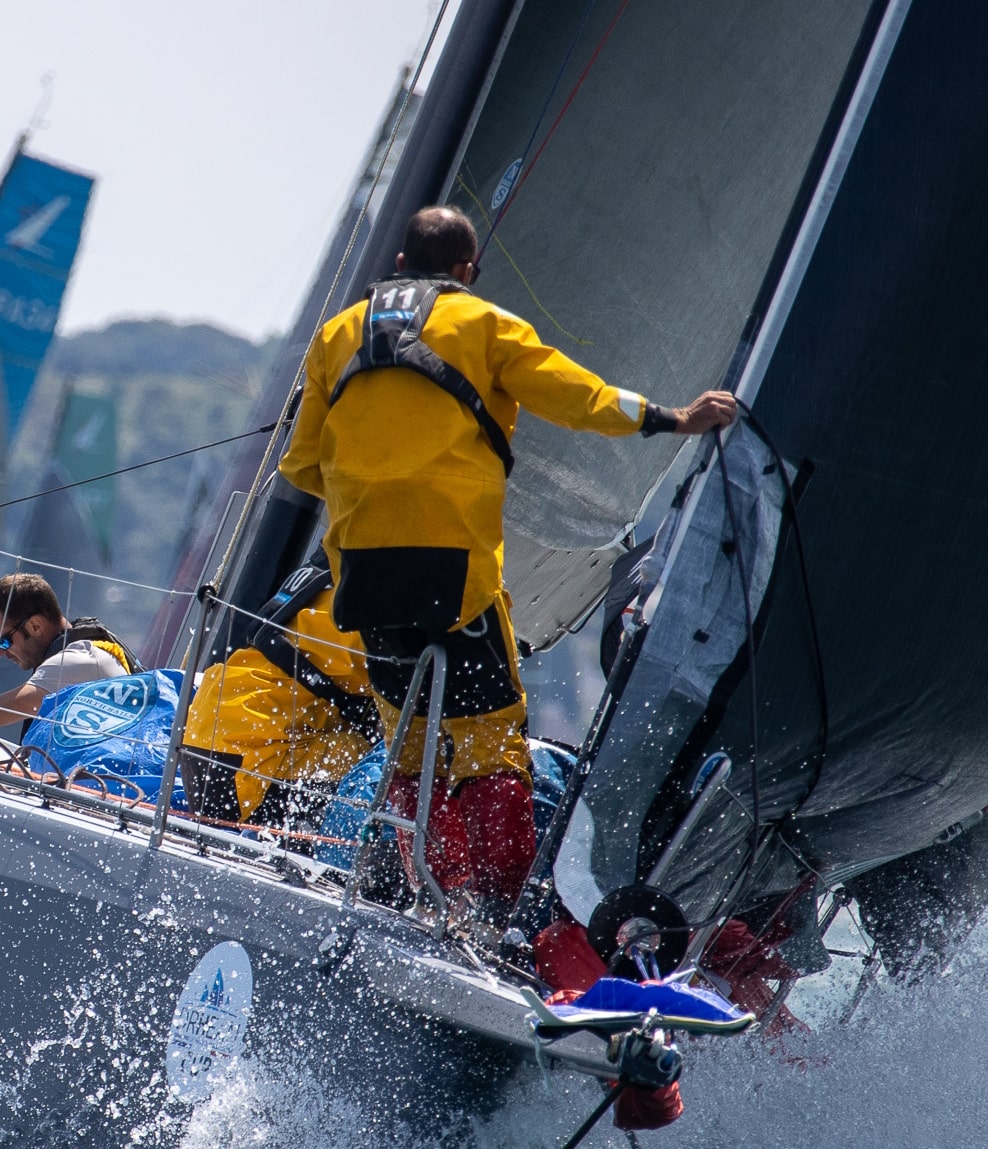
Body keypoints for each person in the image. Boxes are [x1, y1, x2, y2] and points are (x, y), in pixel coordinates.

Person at [281, 206, 737, 910]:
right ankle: (496, 912)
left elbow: (300, 465)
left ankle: (436, 896)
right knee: (489, 743)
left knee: (409, 748)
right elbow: (580, 398)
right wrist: (673, 417)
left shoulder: (336, 335)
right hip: (454, 577)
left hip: (363, 582)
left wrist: (370, 490)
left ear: (400, 263)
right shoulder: (487, 325)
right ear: (467, 271)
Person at [178, 565, 378, 825]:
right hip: (248, 776)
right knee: (392, 760)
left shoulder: (337, 566)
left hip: (206, 739)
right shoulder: (390, 620)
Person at [0, 572, 134, 731]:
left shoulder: (76, 661)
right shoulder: (84, 652)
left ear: (35, 626)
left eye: (3, 642)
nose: (0, 653)